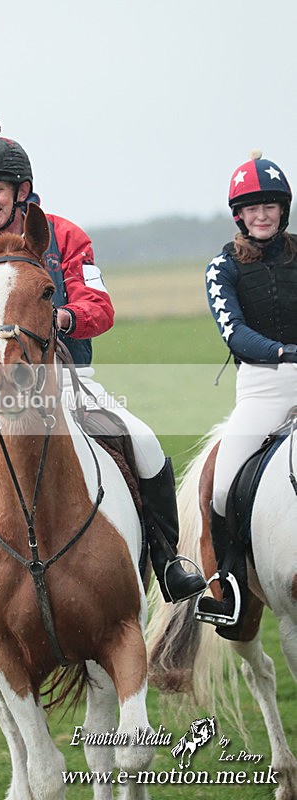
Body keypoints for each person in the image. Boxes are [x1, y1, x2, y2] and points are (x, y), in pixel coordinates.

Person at [0, 117, 205, 647]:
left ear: (21, 190)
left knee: (145, 442)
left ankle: (168, 561)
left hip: (68, 381)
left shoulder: (64, 235)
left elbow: (99, 306)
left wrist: (63, 320)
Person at [196, 150, 297, 640]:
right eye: (251, 208)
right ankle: (230, 590)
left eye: (270, 206)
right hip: (263, 388)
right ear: (239, 215)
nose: (261, 215)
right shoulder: (223, 268)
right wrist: (285, 351)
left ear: (283, 209)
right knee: (220, 488)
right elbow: (235, 334)